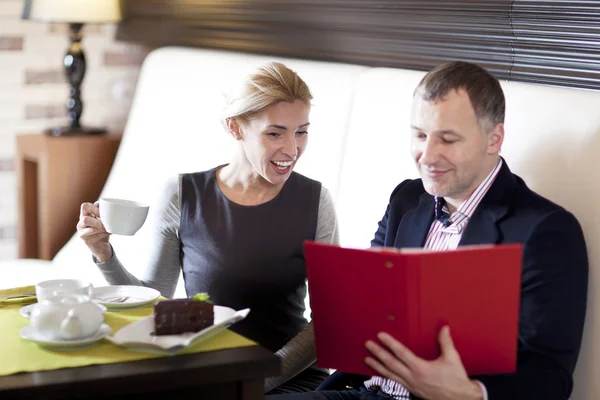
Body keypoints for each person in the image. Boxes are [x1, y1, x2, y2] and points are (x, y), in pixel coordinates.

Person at [266, 61, 588, 400]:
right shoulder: (407, 198)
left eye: (448, 139)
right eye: (420, 135)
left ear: (494, 139)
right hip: (363, 391)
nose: (428, 155)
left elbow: (550, 377)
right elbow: (368, 311)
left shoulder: (546, 231)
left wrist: (468, 393)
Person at [76, 61, 339, 394]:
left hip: (290, 378)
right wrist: (104, 254)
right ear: (235, 127)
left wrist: (253, 380)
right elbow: (154, 302)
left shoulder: (316, 201)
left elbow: (329, 321)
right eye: (275, 133)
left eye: (301, 131)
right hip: (206, 373)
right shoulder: (183, 194)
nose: (291, 149)